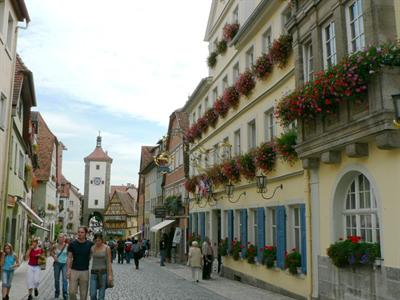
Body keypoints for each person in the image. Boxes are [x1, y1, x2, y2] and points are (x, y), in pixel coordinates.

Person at [67, 226, 94, 300]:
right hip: (74, 270)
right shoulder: (72, 244)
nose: (80, 234)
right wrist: (68, 269)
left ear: (86, 234)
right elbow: (69, 257)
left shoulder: (90, 244)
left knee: (83, 294)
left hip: (85, 271)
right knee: (71, 292)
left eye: (82, 232)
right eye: (78, 232)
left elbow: (94, 254)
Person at [90, 233, 113, 300]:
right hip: (93, 273)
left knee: (101, 296)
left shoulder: (107, 248)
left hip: (103, 274)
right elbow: (88, 258)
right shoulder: (92, 248)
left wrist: (110, 275)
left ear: (102, 240)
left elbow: (109, 262)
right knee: (92, 294)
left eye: (99, 240)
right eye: (96, 240)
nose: (97, 242)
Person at [51, 233, 68, 300]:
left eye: (62, 237)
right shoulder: (55, 245)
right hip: (57, 264)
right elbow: (51, 252)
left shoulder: (67, 246)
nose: (61, 239)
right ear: (58, 238)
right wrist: (54, 256)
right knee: (56, 279)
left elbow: (69, 255)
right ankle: (57, 293)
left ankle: (65, 294)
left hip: (65, 264)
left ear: (64, 238)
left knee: (64, 279)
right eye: (59, 237)